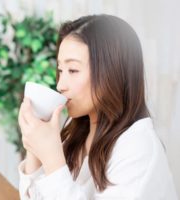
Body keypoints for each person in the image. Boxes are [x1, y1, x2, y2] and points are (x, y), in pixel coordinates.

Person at [17, 14, 178, 199]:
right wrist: (35, 148)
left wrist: (52, 158)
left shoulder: (139, 149)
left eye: (73, 70)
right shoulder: (77, 130)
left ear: (111, 72)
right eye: (60, 70)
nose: (61, 84)